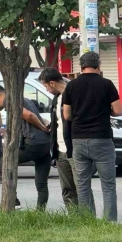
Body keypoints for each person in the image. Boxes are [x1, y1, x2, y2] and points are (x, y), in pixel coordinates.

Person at [62, 51, 122, 222]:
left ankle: (87, 220)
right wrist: (105, 111)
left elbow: (66, 115)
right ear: (98, 65)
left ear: (81, 66)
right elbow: (118, 110)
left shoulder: (71, 86)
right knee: (108, 184)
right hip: (102, 139)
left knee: (82, 184)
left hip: (79, 139)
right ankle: (110, 221)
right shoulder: (106, 84)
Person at [0, 84, 51, 210]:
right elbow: (35, 115)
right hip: (45, 144)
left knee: (4, 161)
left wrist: (42, 127)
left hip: (33, 143)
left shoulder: (10, 101)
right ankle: (40, 212)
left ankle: (13, 201)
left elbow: (29, 115)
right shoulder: (22, 98)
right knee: (42, 183)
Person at [39, 67, 90, 208]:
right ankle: (74, 218)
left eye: (45, 86)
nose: (46, 90)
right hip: (60, 151)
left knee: (82, 187)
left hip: (75, 149)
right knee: (67, 189)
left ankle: (87, 217)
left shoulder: (74, 94)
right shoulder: (56, 99)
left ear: (52, 83)